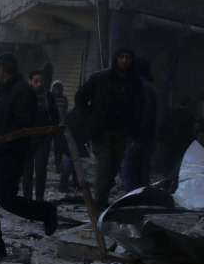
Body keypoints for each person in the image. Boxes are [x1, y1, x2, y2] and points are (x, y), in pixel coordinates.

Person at [0, 53, 58, 260]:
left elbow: (20, 126)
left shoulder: (23, 91)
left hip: (10, 156)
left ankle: (46, 211)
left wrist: (2, 143)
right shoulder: (5, 91)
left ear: (1, 69)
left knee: (7, 200)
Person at [75, 47, 144, 210]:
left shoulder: (134, 82)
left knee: (114, 168)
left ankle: (103, 200)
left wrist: (136, 134)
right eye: (121, 57)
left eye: (128, 57)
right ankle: (99, 204)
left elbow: (137, 109)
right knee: (104, 166)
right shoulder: (101, 78)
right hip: (102, 131)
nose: (124, 61)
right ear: (116, 59)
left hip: (121, 133)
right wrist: (91, 117)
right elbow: (81, 97)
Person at [121, 58, 157, 192]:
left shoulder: (144, 88)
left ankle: (132, 204)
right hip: (139, 139)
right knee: (137, 173)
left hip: (137, 140)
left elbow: (147, 116)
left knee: (129, 172)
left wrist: (138, 138)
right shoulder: (145, 87)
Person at [22, 70, 59, 202]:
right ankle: (27, 201)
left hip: (43, 139)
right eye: (36, 81)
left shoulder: (48, 96)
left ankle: (39, 199)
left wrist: (49, 137)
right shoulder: (24, 96)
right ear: (29, 81)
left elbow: (55, 118)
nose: (38, 84)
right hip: (27, 139)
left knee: (41, 169)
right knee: (26, 172)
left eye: (41, 81)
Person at [157, 96, 196, 190]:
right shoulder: (189, 116)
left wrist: (160, 140)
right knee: (180, 167)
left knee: (168, 166)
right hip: (182, 145)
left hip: (169, 143)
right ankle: (177, 187)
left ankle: (166, 186)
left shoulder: (170, 113)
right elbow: (191, 132)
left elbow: (162, 127)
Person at [59, 106, 90, 194]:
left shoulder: (71, 114)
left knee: (73, 166)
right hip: (75, 145)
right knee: (72, 165)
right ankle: (65, 185)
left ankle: (70, 185)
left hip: (70, 144)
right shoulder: (81, 116)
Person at [51, 81, 69, 174]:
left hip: (60, 126)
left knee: (59, 147)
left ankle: (58, 165)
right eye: (56, 89)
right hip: (50, 126)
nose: (57, 91)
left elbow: (65, 111)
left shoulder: (64, 98)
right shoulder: (50, 97)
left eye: (59, 89)